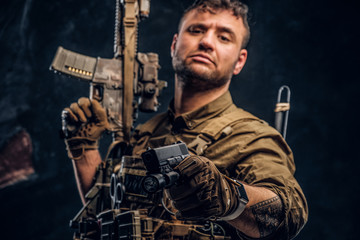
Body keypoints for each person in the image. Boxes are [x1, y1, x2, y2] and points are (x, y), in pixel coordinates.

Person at [63, 0, 308, 239]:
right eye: (196, 30)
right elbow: (107, 211)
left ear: (239, 61)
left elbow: (289, 214)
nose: (206, 42)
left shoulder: (251, 136)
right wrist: (84, 149)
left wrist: (229, 198)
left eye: (224, 37)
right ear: (174, 44)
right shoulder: (146, 133)